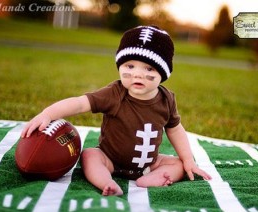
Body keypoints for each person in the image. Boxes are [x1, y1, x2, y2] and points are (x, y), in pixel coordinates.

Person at [21, 25, 211, 196]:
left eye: (149, 69)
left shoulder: (167, 99)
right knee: (89, 155)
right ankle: (106, 182)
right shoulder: (115, 93)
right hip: (110, 159)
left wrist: (188, 160)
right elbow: (80, 103)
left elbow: (175, 129)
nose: (138, 74)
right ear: (119, 66)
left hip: (148, 165)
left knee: (178, 163)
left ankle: (152, 179)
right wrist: (47, 114)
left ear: (164, 73)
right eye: (130, 66)